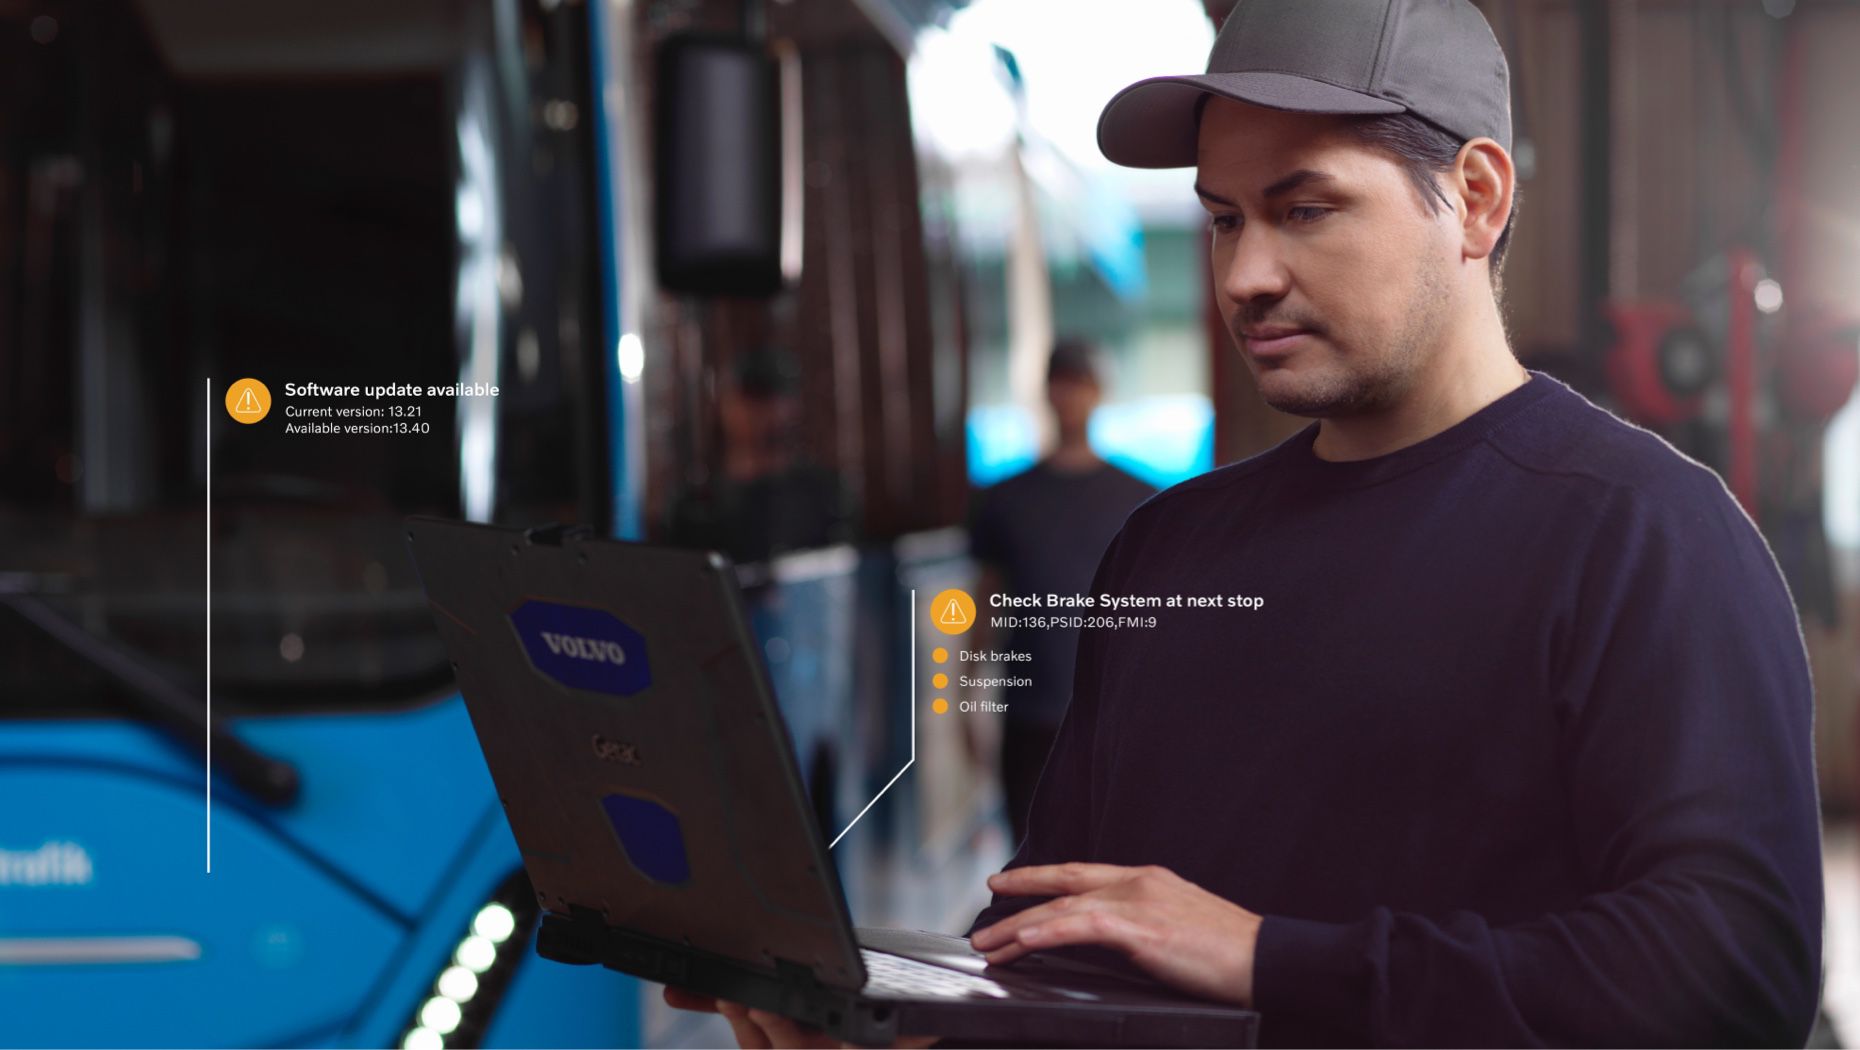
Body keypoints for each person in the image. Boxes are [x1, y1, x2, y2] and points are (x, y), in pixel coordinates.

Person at [671, 0, 1823, 1045]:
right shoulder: (1169, 548)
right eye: (1223, 220)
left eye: (1305, 208)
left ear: (1475, 198)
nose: (1245, 275)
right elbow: (1058, 940)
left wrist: (1271, 960)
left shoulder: (1645, 538)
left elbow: (1732, 978)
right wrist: (906, 1031)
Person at [968, 339, 1157, 848]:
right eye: (1061, 384)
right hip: (1031, 714)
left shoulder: (1142, 499)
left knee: (1112, 857)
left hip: (1114, 717)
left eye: (1081, 384)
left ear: (1099, 394)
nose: (1070, 396)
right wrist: (964, 700)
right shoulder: (1005, 499)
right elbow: (987, 600)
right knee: (1030, 860)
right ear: (1046, 393)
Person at [665, 346, 857, 565]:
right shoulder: (694, 508)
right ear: (724, 403)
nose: (766, 412)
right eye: (752, 398)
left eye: (775, 398)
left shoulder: (826, 495)